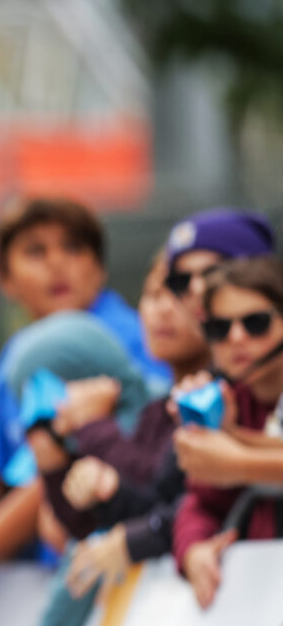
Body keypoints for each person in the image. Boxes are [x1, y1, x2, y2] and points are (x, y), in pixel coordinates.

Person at [0, 195, 162, 626]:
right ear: (5, 279)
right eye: (35, 252)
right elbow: (2, 461)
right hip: (63, 572)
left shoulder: (128, 340)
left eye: (73, 248)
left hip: (128, 568)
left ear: (99, 268)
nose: (58, 265)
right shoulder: (19, 354)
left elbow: (55, 475)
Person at [60, 211, 271, 600]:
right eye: (176, 282)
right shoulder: (195, 398)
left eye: (256, 322)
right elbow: (197, 500)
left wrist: (94, 427)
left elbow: (171, 498)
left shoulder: (242, 391)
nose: (192, 292)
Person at [0, 312, 151, 626]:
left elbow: (104, 530)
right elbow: (82, 525)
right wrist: (51, 468)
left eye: (46, 404)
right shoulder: (83, 437)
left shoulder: (148, 417)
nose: (47, 420)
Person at [171, 256, 283, 608]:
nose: (237, 338)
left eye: (256, 323)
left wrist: (238, 461)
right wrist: (193, 550)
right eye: (220, 328)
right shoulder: (228, 402)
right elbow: (200, 503)